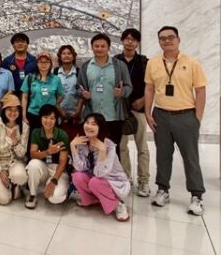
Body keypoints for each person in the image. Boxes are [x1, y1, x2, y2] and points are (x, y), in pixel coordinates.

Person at [145, 26, 207, 216]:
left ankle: (196, 196)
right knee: (163, 155)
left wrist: (197, 118)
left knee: (190, 157)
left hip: (186, 115)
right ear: (159, 42)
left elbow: (200, 90)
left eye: (171, 37)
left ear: (178, 40)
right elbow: (149, 89)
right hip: (161, 115)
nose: (167, 41)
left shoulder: (192, 62)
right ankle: (162, 190)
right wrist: (148, 113)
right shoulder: (153, 63)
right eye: (162, 38)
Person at [77, 33, 133, 154]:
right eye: (96, 46)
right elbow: (78, 87)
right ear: (92, 47)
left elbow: (129, 87)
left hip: (113, 116)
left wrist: (122, 92)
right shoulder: (85, 67)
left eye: (103, 46)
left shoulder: (119, 65)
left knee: (113, 152)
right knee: (92, 151)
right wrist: (83, 94)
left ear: (109, 47)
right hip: (92, 119)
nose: (100, 49)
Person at [70, 113, 131, 221]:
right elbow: (80, 168)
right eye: (87, 123)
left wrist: (102, 151)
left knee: (95, 182)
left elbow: (100, 174)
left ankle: (118, 204)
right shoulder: (83, 142)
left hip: (114, 182)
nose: (89, 126)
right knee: (77, 176)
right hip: (96, 179)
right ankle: (92, 199)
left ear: (100, 128)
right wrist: (72, 146)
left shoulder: (109, 145)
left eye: (94, 124)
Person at [114, 28, 150, 197]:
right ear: (122, 41)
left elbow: (152, 86)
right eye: (127, 39)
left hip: (139, 109)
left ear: (138, 42)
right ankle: (125, 177)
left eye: (133, 39)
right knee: (121, 146)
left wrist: (143, 100)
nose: (130, 42)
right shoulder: (115, 61)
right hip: (120, 109)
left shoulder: (144, 62)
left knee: (142, 146)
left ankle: (144, 180)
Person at [25, 105, 69, 208]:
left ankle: (62, 188)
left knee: (55, 198)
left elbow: (63, 162)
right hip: (44, 165)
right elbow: (33, 154)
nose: (48, 121)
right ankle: (33, 194)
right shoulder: (36, 132)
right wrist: (48, 152)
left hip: (57, 170)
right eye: (45, 117)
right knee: (33, 164)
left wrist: (54, 181)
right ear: (40, 118)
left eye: (52, 118)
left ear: (56, 120)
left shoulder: (62, 135)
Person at [0, 94, 29, 205]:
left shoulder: (24, 126)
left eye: (16, 110)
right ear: (4, 110)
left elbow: (22, 154)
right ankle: (4, 183)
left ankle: (15, 183)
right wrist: (0, 171)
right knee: (4, 199)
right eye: (9, 109)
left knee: (20, 176)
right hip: (0, 164)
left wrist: (15, 141)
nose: (13, 113)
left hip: (15, 162)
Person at [21, 51, 65, 132]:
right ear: (37, 63)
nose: (43, 64)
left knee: (50, 137)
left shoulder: (56, 79)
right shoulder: (30, 78)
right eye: (40, 61)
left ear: (51, 64)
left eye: (46, 62)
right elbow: (24, 97)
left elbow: (60, 95)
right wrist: (23, 116)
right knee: (34, 137)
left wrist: (55, 103)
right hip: (33, 114)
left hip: (50, 116)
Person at [55, 45, 83, 140]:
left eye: (69, 53)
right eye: (63, 53)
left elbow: (82, 94)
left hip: (76, 114)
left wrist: (78, 111)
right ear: (60, 56)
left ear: (73, 56)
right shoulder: (55, 72)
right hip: (59, 114)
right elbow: (53, 94)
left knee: (75, 139)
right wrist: (59, 109)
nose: (66, 55)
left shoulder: (79, 72)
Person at [2, 33, 37, 98]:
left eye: (23, 42)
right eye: (17, 42)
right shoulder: (7, 61)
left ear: (27, 44)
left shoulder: (34, 60)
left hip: (31, 96)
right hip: (12, 96)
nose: (20, 44)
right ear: (13, 45)